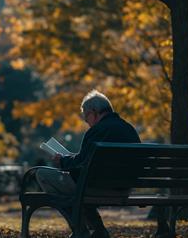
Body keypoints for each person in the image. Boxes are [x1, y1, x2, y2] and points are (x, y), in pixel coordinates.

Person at [35, 90, 141, 238]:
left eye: (86, 118)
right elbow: (88, 159)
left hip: (95, 187)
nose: (88, 123)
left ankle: (80, 230)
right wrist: (73, 158)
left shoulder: (97, 130)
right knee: (76, 191)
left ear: (93, 112)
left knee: (42, 174)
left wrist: (63, 161)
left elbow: (82, 164)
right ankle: (97, 230)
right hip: (124, 188)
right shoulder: (129, 129)